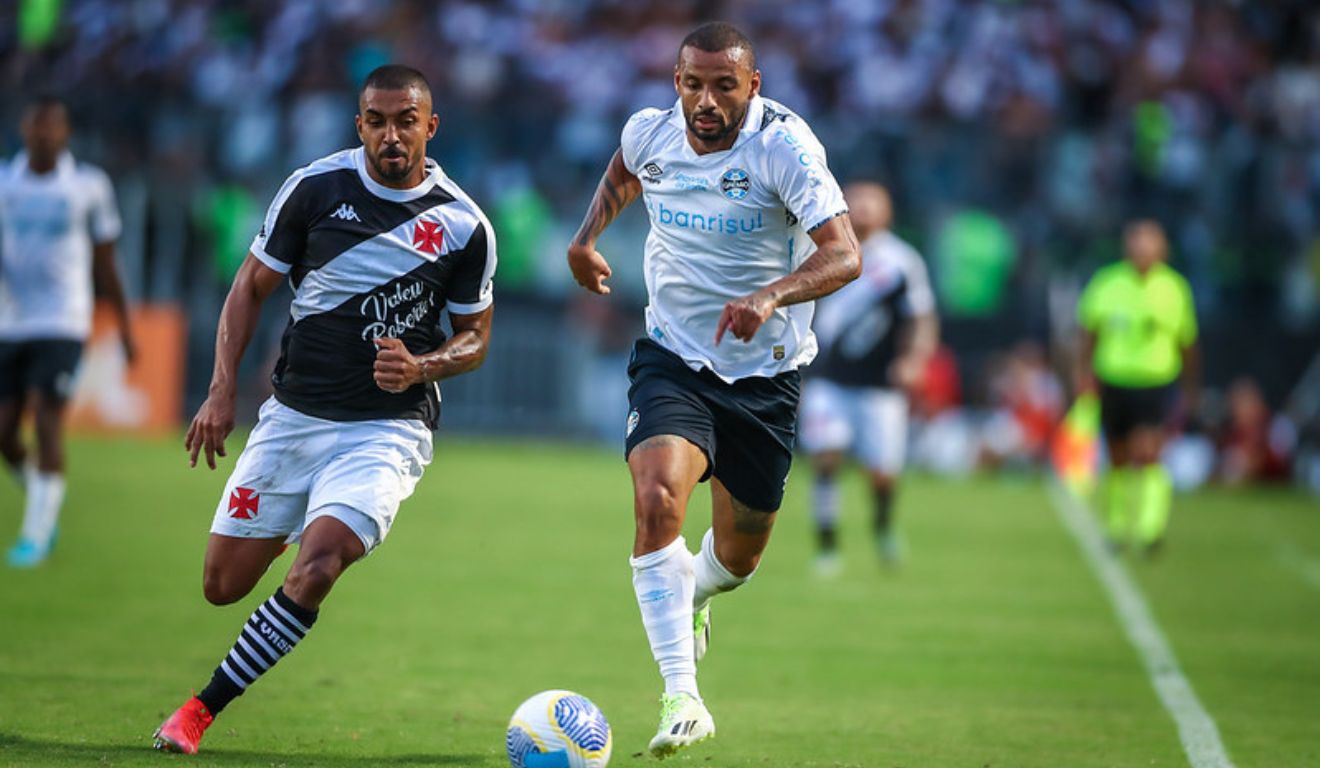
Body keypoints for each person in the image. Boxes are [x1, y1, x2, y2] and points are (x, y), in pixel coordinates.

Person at [152, 65, 496, 754]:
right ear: (359, 124)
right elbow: (250, 287)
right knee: (222, 585)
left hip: (385, 429)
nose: (391, 135)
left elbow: (477, 338)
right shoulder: (315, 189)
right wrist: (221, 391)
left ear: (432, 126)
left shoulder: (464, 224)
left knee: (318, 569)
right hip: (295, 415)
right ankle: (299, 521)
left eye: (406, 120)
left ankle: (197, 711)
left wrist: (423, 366)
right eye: (377, 120)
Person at [566, 22, 860, 758]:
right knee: (657, 495)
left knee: (738, 557)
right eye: (692, 83)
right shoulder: (650, 131)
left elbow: (844, 254)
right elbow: (626, 173)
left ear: (752, 87)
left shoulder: (786, 148)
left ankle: (695, 592)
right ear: (676, 81)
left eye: (723, 85)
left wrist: (774, 295)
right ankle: (681, 695)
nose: (705, 99)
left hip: (766, 377)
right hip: (673, 358)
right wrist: (585, 238)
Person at [0, 95, 136, 568]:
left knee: (46, 417)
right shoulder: (4, 184)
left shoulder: (87, 186)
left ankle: (35, 535)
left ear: (65, 133)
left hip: (63, 319)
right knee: (5, 434)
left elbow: (106, 262)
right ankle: (45, 502)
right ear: (24, 130)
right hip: (10, 322)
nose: (44, 135)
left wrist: (124, 325)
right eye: (37, 127)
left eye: (52, 127)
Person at [799, 183, 937, 574]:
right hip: (828, 376)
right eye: (855, 200)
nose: (862, 208)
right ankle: (826, 546)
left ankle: (883, 527)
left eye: (872, 201)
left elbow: (921, 317)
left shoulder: (901, 262)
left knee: (882, 472)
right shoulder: (822, 248)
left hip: (880, 384)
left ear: (887, 211)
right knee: (826, 456)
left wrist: (913, 359)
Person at [1077, 219, 1198, 553]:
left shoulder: (1174, 289)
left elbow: (1187, 343)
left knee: (1148, 452)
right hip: (1114, 380)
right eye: (1137, 241)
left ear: (1163, 248)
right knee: (1116, 454)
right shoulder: (1107, 283)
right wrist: (1083, 372)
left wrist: (1189, 388)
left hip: (1155, 381)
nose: (1142, 249)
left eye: (1150, 242)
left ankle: (1150, 527)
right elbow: (1089, 333)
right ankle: (1116, 526)